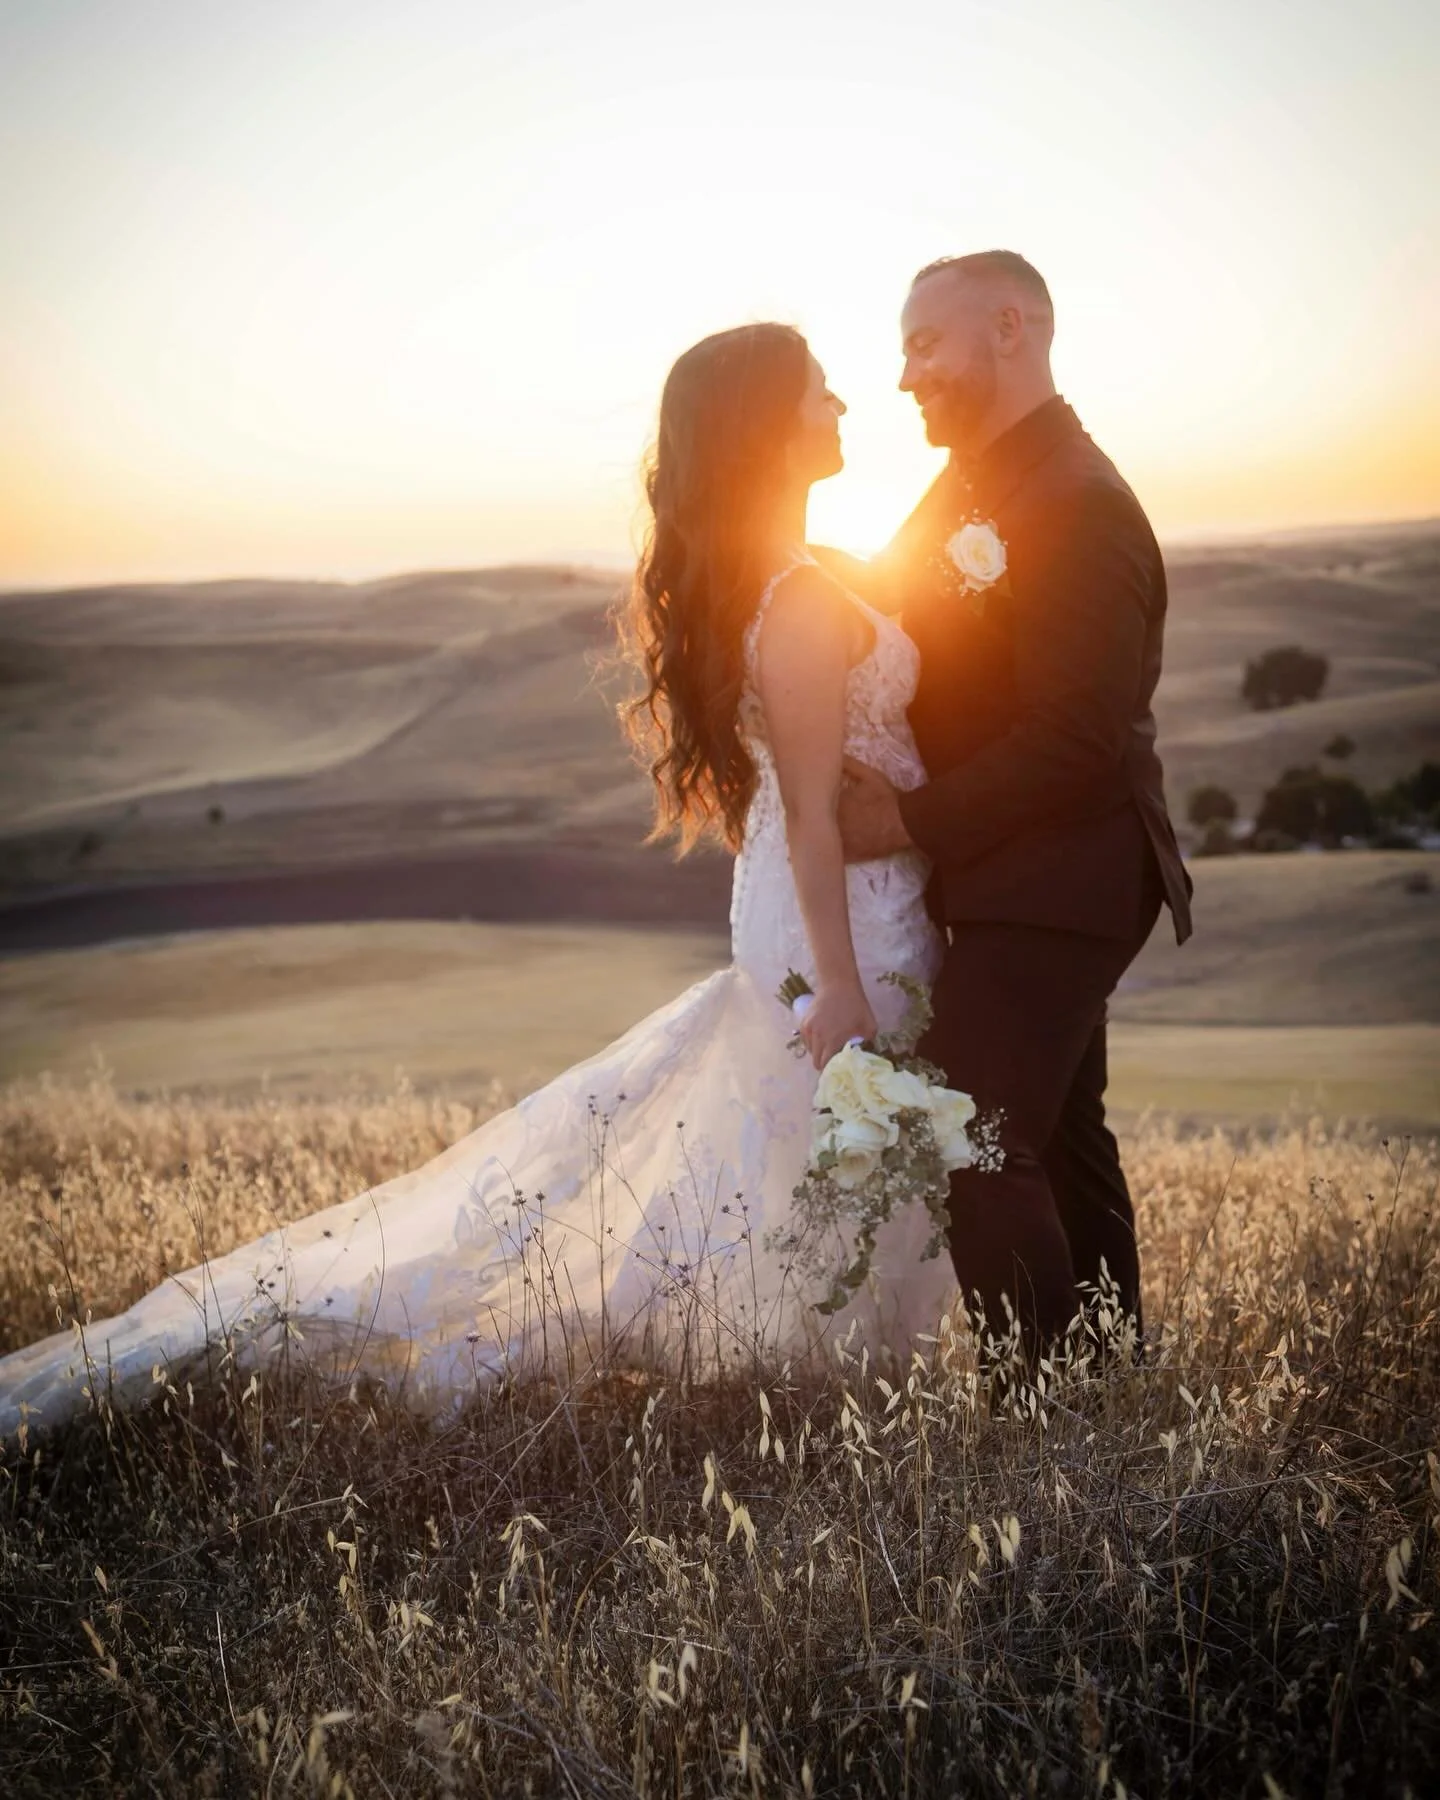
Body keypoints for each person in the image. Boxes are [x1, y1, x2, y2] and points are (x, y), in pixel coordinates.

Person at [0, 324, 954, 1438]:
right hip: (842, 924)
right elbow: (805, 810)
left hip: (845, 910)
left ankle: (824, 1385)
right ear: (765, 426)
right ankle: (773, 1381)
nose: (841, 404)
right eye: (816, 391)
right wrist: (837, 982)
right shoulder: (793, 601)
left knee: (822, 1145)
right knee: (831, 1138)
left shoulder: (796, 578)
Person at [834, 251, 1193, 1356]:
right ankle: (1106, 1396)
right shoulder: (979, 483)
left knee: (969, 1137)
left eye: (921, 344)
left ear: (1008, 326)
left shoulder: (1077, 500)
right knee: (1058, 1134)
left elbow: (1075, 740)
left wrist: (902, 822)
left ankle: (1039, 1424)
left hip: (1067, 870)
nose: (905, 377)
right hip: (1015, 870)